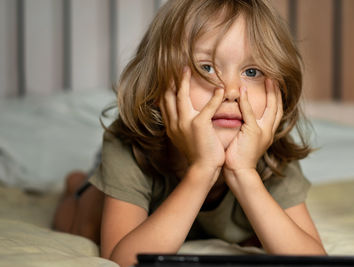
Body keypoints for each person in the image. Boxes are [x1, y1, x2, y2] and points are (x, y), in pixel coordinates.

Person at [52, 0, 326, 266]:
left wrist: (243, 173)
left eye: (251, 71)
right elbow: (124, 261)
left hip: (208, 211)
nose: (231, 91)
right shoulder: (130, 145)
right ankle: (77, 184)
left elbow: (316, 262)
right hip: (134, 180)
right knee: (80, 225)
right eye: (206, 68)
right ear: (158, 85)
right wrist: (203, 169)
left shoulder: (273, 151)